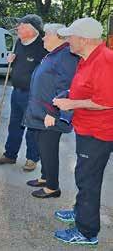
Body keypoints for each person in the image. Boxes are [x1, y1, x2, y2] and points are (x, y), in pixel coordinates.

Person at [52, 18, 113, 246]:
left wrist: (72, 104)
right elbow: (88, 89)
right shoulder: (87, 58)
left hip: (99, 133)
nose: (68, 40)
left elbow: (107, 102)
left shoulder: (105, 60)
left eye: (71, 36)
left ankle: (87, 232)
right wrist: (70, 95)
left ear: (84, 39)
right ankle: (80, 212)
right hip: (87, 129)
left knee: (88, 180)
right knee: (83, 174)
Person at [24, 23, 79, 198]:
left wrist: (54, 113)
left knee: (49, 149)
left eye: (46, 34)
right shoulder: (54, 54)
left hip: (50, 114)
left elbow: (66, 87)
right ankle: (45, 177)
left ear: (59, 36)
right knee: (42, 145)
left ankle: (53, 187)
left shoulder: (66, 56)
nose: (43, 38)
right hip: (42, 112)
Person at [0, 14, 48, 172]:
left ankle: (32, 158)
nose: (18, 28)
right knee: (14, 124)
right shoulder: (19, 42)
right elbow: (18, 61)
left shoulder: (42, 46)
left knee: (32, 126)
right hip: (16, 91)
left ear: (32, 29)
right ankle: (10, 154)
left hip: (33, 95)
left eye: (21, 26)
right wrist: (12, 58)